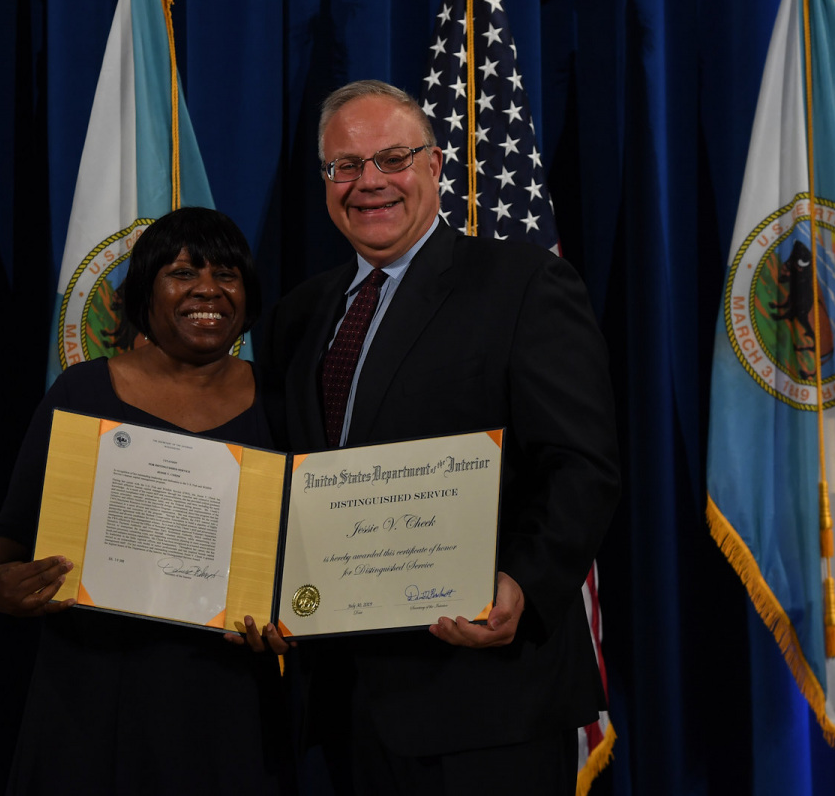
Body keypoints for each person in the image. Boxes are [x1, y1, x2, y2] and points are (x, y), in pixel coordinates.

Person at [258, 80, 620, 794]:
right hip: (341, 704)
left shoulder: (521, 284)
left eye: (392, 158)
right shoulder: (295, 316)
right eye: (345, 166)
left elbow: (581, 465)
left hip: (484, 696)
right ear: (325, 181)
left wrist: (522, 581)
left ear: (434, 166)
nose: (369, 183)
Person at [0, 206, 293, 795]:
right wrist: (5, 586)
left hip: (232, 707)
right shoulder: (83, 391)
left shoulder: (284, 400)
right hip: (94, 703)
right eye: (182, 272)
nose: (208, 289)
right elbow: (1, 550)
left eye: (227, 274)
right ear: (142, 295)